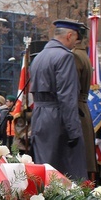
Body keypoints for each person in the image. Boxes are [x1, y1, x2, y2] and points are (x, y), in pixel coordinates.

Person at [29, 19, 86, 180]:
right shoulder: (65, 57)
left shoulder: (38, 57)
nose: (75, 43)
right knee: (67, 177)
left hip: (39, 117)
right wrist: (74, 130)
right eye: (76, 39)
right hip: (58, 119)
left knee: (43, 171)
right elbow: (67, 96)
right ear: (69, 36)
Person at [71, 30, 97, 181]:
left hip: (77, 109)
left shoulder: (74, 56)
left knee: (78, 161)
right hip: (83, 107)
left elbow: (72, 87)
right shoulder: (83, 55)